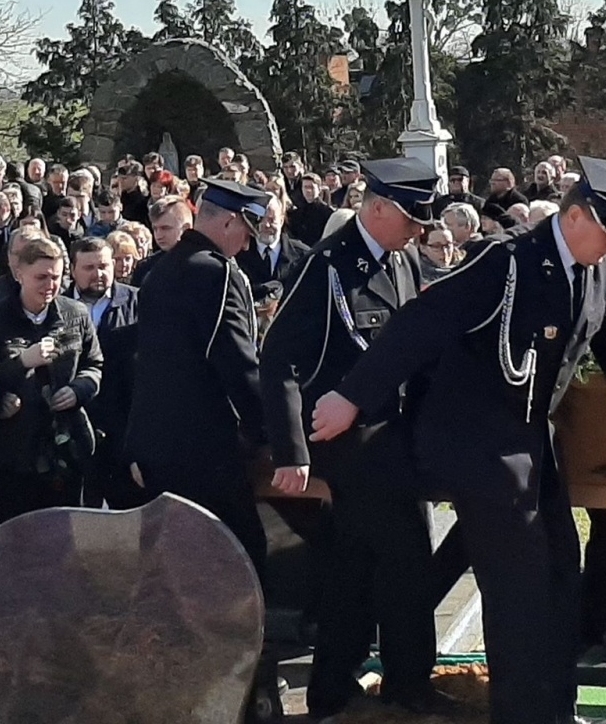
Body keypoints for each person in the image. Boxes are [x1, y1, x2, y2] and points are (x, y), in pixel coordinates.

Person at [311, 158, 606, 724]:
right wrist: (351, 397)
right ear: (575, 216)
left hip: (532, 442)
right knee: (519, 590)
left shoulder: (599, 270)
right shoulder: (507, 262)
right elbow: (422, 321)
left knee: (561, 573)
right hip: (475, 443)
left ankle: (555, 707)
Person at [261, 158, 449, 719]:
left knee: (353, 568)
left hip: (395, 437)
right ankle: (407, 682)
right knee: (407, 559)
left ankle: (332, 687)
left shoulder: (403, 259)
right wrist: (293, 450)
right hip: (352, 443)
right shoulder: (326, 268)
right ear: (378, 208)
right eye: (412, 219)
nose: (420, 231)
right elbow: (279, 358)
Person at [126, 178, 278, 722]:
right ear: (229, 223)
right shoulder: (214, 274)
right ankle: (248, 690)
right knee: (239, 563)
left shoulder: (163, 270)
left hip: (160, 446)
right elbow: (235, 361)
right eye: (247, 229)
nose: (247, 242)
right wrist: (275, 433)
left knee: (177, 569)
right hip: (205, 448)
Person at [0, 237, 102, 528]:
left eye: (56, 277)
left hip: (66, 445)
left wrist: (79, 389)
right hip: (15, 450)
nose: (50, 285)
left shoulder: (75, 314)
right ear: (19, 274)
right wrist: (20, 364)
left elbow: (95, 364)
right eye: (41, 277)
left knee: (66, 534)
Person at [66, 238, 141, 507]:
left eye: (104, 266)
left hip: (122, 427)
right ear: (72, 269)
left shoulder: (137, 302)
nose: (98, 274)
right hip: (72, 426)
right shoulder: (58, 307)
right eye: (89, 267)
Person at [236, 194, 310, 287]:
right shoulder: (237, 253)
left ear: (281, 220)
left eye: (271, 220)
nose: (266, 225)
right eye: (261, 219)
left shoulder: (302, 255)